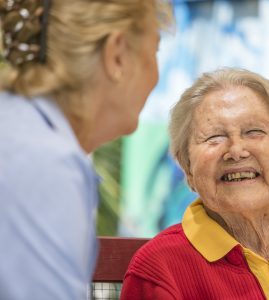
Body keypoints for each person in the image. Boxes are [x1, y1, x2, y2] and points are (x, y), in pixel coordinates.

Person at [0, 0, 172, 299]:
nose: (157, 76)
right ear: (117, 55)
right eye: (155, 50)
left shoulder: (23, 133)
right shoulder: (45, 162)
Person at [120, 68, 269, 300]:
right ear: (187, 167)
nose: (236, 150)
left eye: (254, 131)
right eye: (214, 137)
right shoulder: (160, 269)